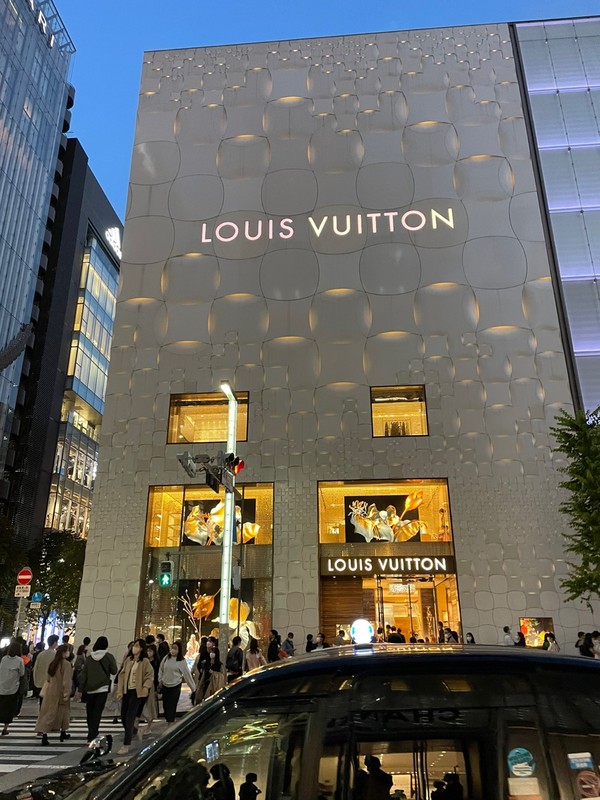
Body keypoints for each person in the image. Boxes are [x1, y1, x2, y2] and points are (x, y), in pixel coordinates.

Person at [116, 638, 154, 753]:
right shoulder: (129, 660)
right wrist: (120, 690)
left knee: (130, 718)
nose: (134, 648)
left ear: (141, 648)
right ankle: (136, 731)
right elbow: (122, 675)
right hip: (127, 691)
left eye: (137, 646)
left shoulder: (145, 662)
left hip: (137, 693)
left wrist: (145, 687)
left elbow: (149, 676)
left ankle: (126, 745)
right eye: (134, 645)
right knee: (123, 716)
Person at [78, 636, 118, 744]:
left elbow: (84, 674)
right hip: (103, 688)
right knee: (97, 712)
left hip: (90, 689)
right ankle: (92, 735)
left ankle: (92, 732)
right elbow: (114, 671)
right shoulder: (109, 657)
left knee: (90, 712)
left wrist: (80, 689)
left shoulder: (89, 658)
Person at [35, 644, 73, 745]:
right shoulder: (66, 664)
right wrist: (67, 693)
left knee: (47, 713)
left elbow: (48, 678)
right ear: (64, 652)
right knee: (63, 713)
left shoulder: (53, 663)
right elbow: (67, 680)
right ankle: (63, 731)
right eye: (67, 651)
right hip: (60, 691)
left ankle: (44, 734)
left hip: (50, 691)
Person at [158, 640, 196, 725]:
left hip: (175, 685)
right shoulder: (166, 658)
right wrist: (160, 679)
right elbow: (161, 669)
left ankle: (170, 722)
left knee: (172, 704)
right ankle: (168, 720)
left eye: (175, 648)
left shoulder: (181, 661)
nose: (173, 650)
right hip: (165, 685)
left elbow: (187, 675)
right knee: (165, 704)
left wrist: (193, 688)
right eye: (172, 648)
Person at [0, 641, 25, 736]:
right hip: (12, 688)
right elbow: (22, 673)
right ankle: (5, 728)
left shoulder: (4, 659)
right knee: (9, 709)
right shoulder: (19, 660)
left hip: (1, 686)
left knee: (1, 707)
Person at [32, 634, 59, 700]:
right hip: (51, 682)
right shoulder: (56, 655)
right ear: (55, 643)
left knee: (42, 701)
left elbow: (35, 668)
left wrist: (35, 680)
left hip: (40, 682)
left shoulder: (41, 654)